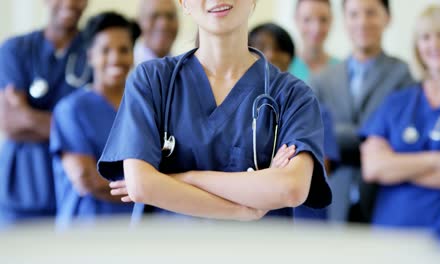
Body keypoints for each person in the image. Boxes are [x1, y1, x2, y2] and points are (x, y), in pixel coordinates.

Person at [98, 0, 331, 222]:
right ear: (184, 3)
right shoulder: (152, 81)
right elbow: (141, 185)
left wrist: (180, 179)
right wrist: (243, 209)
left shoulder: (293, 96)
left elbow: (290, 189)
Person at [360, 4, 440, 241]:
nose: (434, 44)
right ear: (417, 47)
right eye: (425, 37)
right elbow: (374, 167)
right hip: (394, 236)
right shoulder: (397, 103)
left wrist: (399, 167)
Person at [311, 0, 414, 223]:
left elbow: (399, 138)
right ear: (345, 20)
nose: (362, 22)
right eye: (354, 14)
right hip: (334, 200)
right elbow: (315, 138)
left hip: (383, 198)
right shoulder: (322, 80)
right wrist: (371, 136)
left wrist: (336, 137)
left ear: (387, 18)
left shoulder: (403, 75)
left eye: (371, 13)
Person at [0, 0, 89, 225]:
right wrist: (73, 132)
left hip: (78, 190)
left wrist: (27, 115)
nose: (69, 2)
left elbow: (98, 131)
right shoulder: (15, 49)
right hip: (22, 190)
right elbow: (9, 124)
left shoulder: (96, 51)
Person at [50, 12, 140, 227]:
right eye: (105, 50)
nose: (115, 58)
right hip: (84, 233)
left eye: (124, 50)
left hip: (134, 232)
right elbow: (87, 180)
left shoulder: (143, 108)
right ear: (90, 56)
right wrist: (152, 191)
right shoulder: (71, 110)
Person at [249, 22, 339, 220]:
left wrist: (268, 175)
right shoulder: (239, 110)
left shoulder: (313, 108)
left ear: (290, 58)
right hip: (255, 220)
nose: (270, 54)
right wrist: (276, 172)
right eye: (261, 47)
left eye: (279, 49)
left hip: (305, 219)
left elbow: (319, 167)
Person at [290, 0, 339, 83]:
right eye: (307, 19)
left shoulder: (341, 70)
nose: (316, 28)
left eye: (323, 20)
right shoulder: (284, 66)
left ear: (331, 20)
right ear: (296, 20)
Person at [134, 0, 179, 64]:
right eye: (154, 16)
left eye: (170, 16)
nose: (163, 24)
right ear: (138, 22)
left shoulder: (185, 67)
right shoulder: (127, 69)